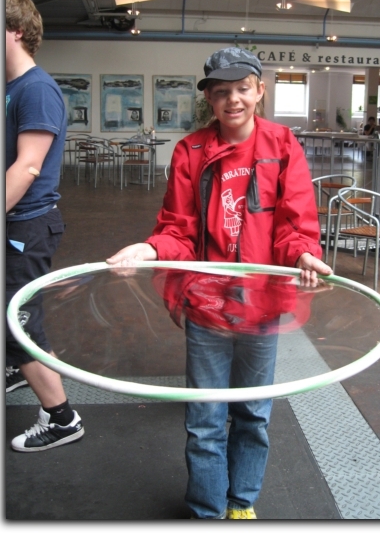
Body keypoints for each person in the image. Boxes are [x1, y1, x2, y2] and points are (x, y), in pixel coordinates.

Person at [106, 47, 332, 519]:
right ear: (209, 98)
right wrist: (150, 248)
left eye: (243, 89)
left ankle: (241, 503)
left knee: (253, 414)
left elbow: (294, 223)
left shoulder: (282, 144)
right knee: (204, 419)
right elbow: (179, 229)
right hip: (207, 307)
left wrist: (304, 254)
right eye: (222, 91)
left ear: (260, 90)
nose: (234, 100)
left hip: (262, 306)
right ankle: (206, 512)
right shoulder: (190, 151)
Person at [6, 0, 84, 451]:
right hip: (13, 223)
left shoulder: (35, 89)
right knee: (10, 320)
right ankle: (18, 366)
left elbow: (27, 166)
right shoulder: (10, 87)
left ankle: (62, 419)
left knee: (16, 323)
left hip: (26, 227)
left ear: (15, 31)